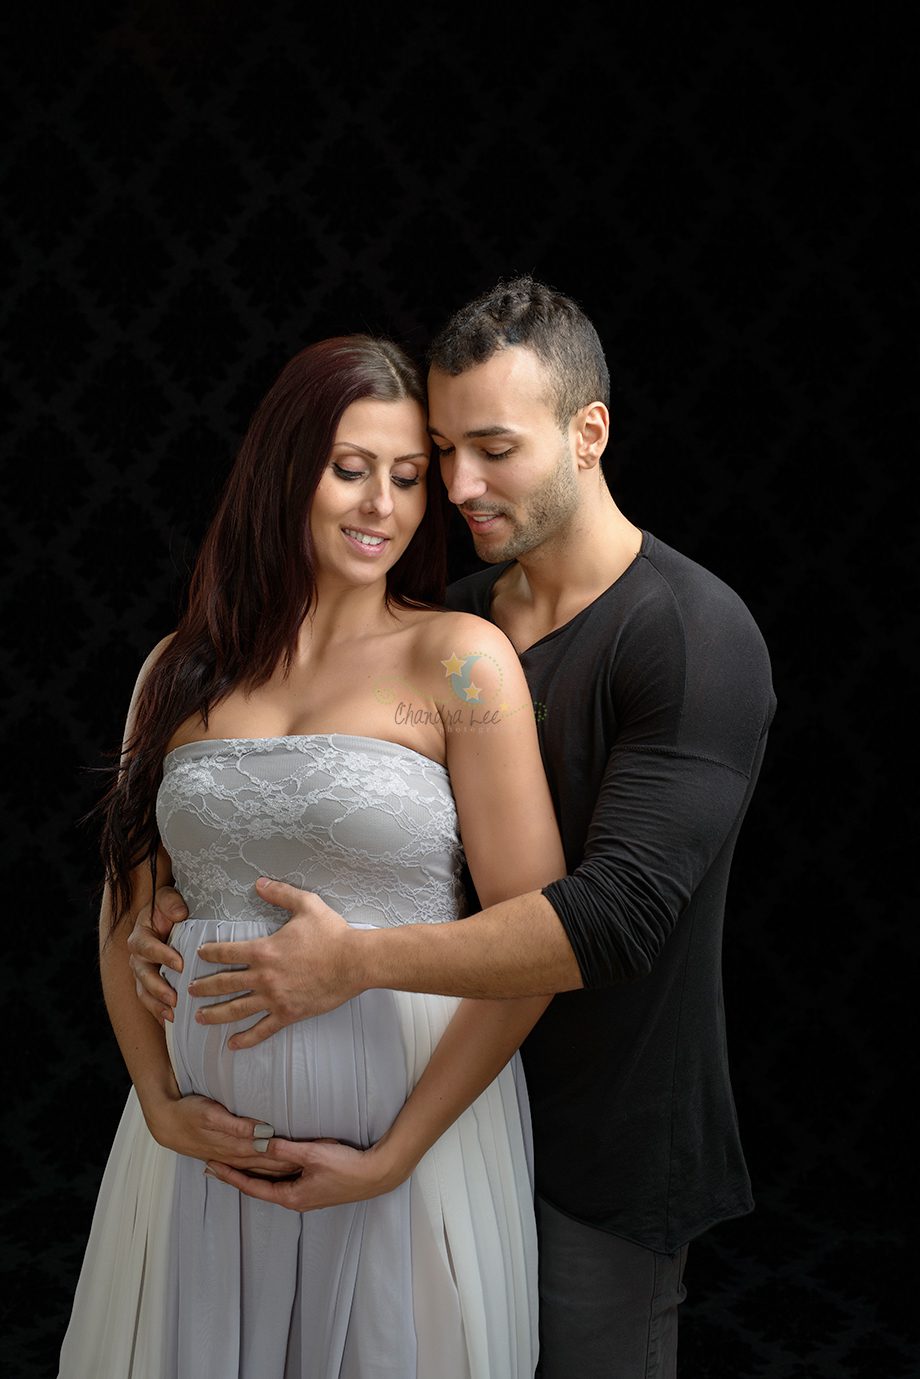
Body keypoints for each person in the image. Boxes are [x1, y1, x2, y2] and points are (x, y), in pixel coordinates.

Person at [130, 278, 777, 1379]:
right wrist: (184, 898)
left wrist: (350, 964)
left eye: (494, 449)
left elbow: (614, 916)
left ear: (588, 433)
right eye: (444, 453)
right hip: (430, 1099)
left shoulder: (691, 634)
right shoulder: (456, 620)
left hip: (600, 1134)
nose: (457, 487)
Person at [59, 333, 568, 1378]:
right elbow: (125, 914)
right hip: (197, 1159)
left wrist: (395, 1156)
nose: (382, 504)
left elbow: (534, 940)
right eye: (350, 468)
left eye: (408, 477)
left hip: (404, 1156)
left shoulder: (458, 662)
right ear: (285, 469)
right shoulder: (176, 672)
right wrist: (157, 1100)